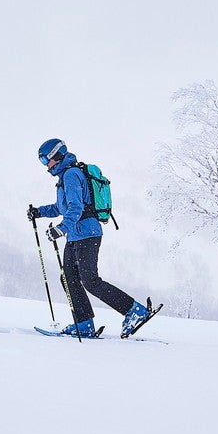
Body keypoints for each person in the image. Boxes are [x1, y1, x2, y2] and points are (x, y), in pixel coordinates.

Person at [29, 138, 156, 338]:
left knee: (89, 280)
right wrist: (39, 212)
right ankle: (84, 323)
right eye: (42, 161)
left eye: (46, 159)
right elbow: (60, 207)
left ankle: (134, 311)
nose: (46, 165)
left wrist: (61, 229)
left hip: (87, 233)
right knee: (69, 278)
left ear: (57, 155)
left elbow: (76, 208)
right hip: (75, 236)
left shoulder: (71, 175)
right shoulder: (64, 177)